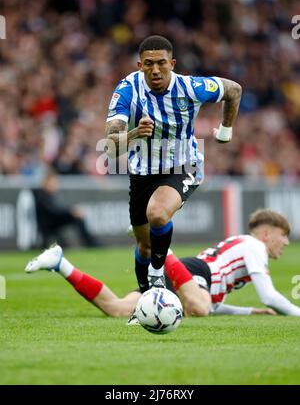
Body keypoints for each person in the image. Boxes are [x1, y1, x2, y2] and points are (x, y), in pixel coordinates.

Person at [105, 35, 242, 291]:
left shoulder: (191, 87)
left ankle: (158, 274)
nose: (155, 70)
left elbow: (234, 90)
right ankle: (146, 297)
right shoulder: (127, 89)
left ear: (173, 63)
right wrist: (134, 133)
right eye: (148, 64)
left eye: (161, 63)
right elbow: (110, 148)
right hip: (142, 171)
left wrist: (226, 130)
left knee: (157, 214)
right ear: (139, 65)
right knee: (144, 246)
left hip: (183, 165)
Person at [24, 209, 300, 318]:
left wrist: (251, 312)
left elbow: (213, 304)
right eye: (283, 237)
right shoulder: (255, 246)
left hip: (191, 278)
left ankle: (60, 263)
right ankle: (159, 246)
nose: (286, 243)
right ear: (267, 234)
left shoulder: (244, 245)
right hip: (195, 272)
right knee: (198, 308)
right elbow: (269, 295)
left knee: (117, 309)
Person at [33, 170, 101, 248]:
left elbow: (59, 208)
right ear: (46, 183)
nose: (55, 185)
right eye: (52, 183)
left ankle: (90, 242)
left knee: (78, 218)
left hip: (55, 221)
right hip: (49, 224)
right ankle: (91, 243)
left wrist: (71, 211)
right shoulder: (41, 195)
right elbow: (53, 211)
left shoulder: (52, 195)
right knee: (75, 216)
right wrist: (70, 211)